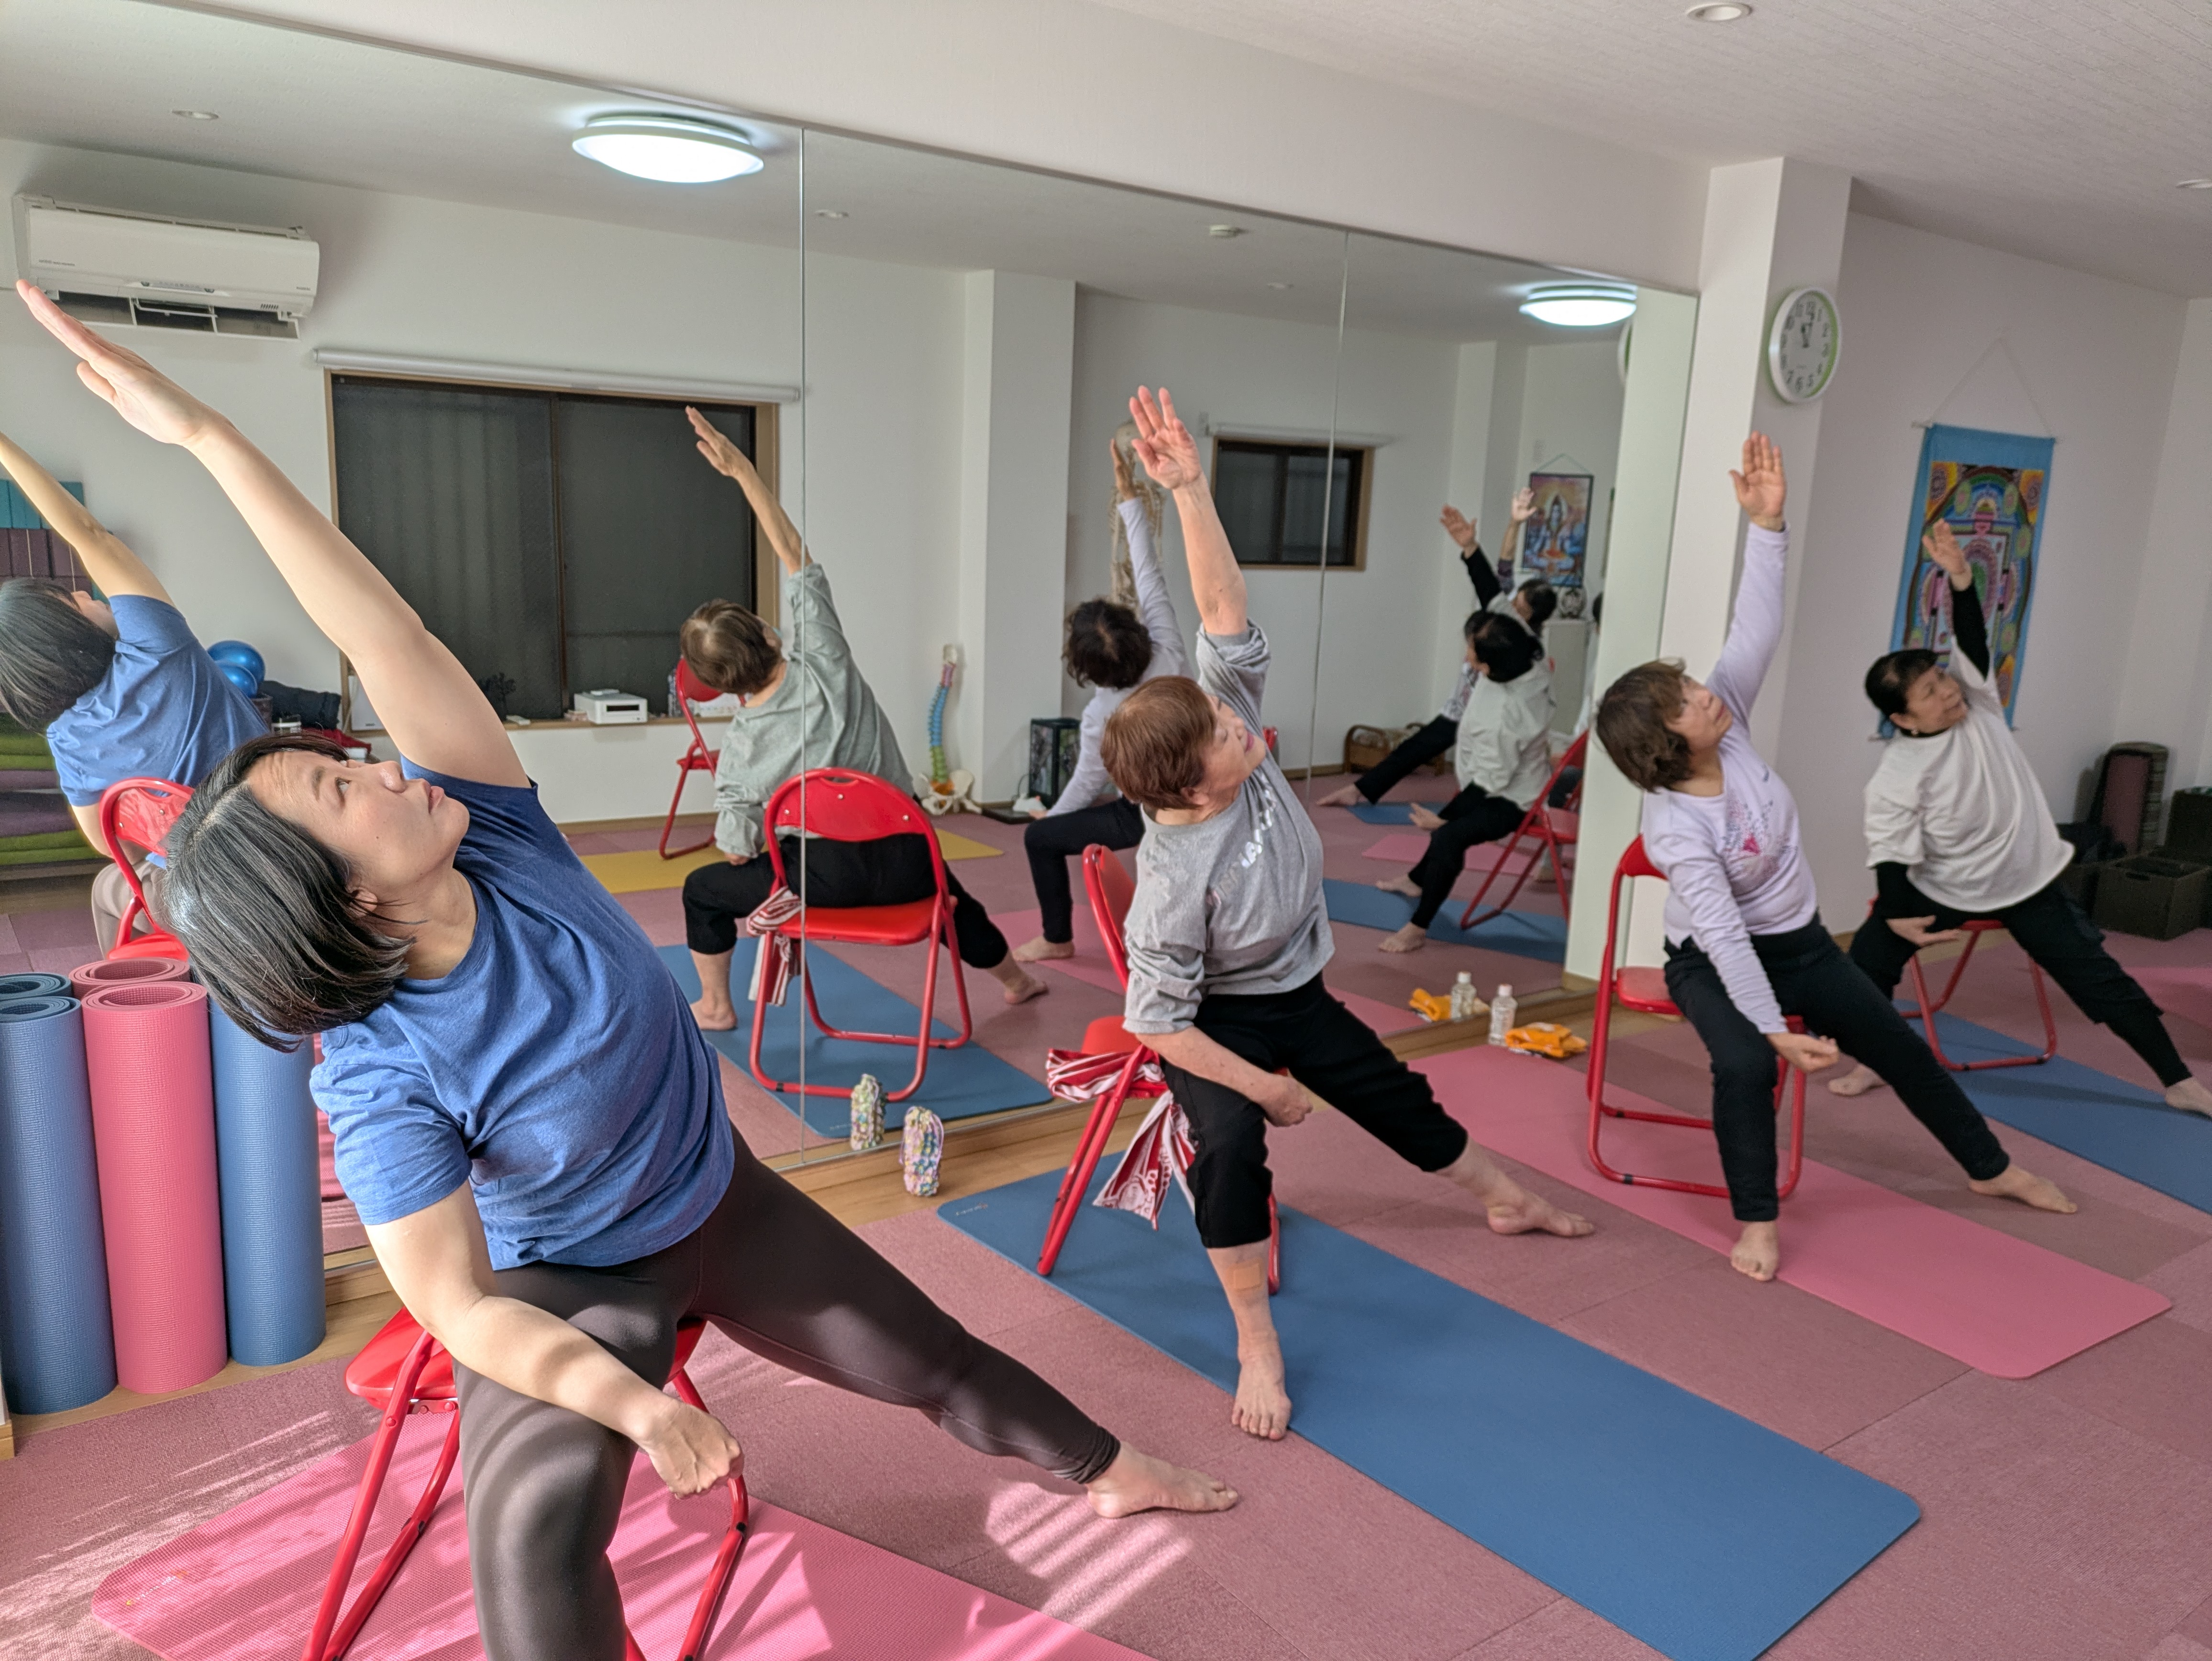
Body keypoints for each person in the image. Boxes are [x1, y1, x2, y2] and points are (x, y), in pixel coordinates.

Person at [13, 279, 1235, 1661]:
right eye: (340, 789)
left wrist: (209, 438)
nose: (372, 761)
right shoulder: (379, 1069)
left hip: (723, 1197)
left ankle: (1105, 1473)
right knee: (528, 1565)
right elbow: (460, 1306)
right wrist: (637, 1404)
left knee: (938, 1358)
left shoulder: (502, 839)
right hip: (577, 1283)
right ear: (351, 899)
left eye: (344, 755)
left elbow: (384, 637)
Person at [1103, 386, 1591, 1441]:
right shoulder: (1173, 880)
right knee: (1230, 1146)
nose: (1250, 730)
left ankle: (1506, 1195)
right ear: (1191, 790)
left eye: (1233, 716)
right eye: (1230, 740)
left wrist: (1188, 492)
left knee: (1394, 1096)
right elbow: (1156, 1021)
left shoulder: (1217, 726)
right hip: (1214, 1022)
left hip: (1294, 985)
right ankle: (1252, 1336)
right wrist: (1265, 1087)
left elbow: (1219, 606)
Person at [1591, 432, 2074, 1284]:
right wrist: (1774, 1032)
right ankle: (1755, 1220)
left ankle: (1988, 1167)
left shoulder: (1728, 724)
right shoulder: (1676, 829)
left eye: (1694, 687)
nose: (1705, 691)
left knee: (1898, 1046)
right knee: (1741, 1065)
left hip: (1804, 945)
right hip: (1709, 961)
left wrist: (1767, 527)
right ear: (1663, 740)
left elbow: (1756, 626)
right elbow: (1725, 940)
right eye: (1685, 700)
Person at [672, 408, 1046, 1030]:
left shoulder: (740, 749)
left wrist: (757, 839)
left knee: (701, 889)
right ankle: (1016, 980)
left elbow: (736, 850)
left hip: (823, 886)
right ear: (769, 633)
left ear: (714, 687)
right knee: (955, 903)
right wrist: (743, 474)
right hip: (910, 866)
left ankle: (715, 1007)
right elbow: (795, 553)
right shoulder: (826, 660)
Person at [1830, 520, 2212, 1115]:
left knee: (2101, 981)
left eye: (1940, 680)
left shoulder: (1979, 705)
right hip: (1947, 887)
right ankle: (1873, 1062)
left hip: (2027, 880)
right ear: (1902, 720)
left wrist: (1960, 577)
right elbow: (1890, 854)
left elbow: (1974, 640)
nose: (1946, 693)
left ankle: (2178, 1081)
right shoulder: (1897, 776)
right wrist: (1899, 916)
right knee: (1865, 965)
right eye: (1929, 694)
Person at [0, 428, 265, 952]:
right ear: (70, 634)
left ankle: (139, 996)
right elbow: (89, 535)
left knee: (110, 887)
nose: (83, 589)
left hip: (194, 897)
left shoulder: (67, 736)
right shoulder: (156, 647)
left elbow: (107, 842)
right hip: (285, 853)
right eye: (71, 599)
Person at [1012, 439, 1190, 963]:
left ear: (1086, 669)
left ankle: (1056, 939)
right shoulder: (1169, 649)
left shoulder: (1102, 716)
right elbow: (1147, 568)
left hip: (1149, 815)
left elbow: (1088, 783)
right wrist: (1128, 492)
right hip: (1208, 795)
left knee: (1038, 842)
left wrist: (1051, 822)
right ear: (1135, 631)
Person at [1314, 492, 1550, 809]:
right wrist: (1470, 545)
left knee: (1489, 766)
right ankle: (1361, 791)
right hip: (1464, 708)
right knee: (1416, 748)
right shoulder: (1505, 620)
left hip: (1488, 724)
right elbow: (1493, 583)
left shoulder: (1524, 660)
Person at [1372, 611, 1553, 953]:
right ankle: (1415, 882)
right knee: (1448, 826)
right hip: (1502, 779)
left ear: (1488, 667)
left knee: (1449, 837)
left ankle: (1417, 928)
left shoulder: (1507, 715)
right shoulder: (1529, 663)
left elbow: (1488, 782)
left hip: (1514, 800)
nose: (1465, 656)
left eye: (1471, 651)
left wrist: (1445, 819)